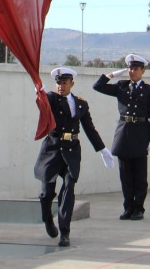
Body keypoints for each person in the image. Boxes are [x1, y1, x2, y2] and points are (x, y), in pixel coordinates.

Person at [34, 66, 114, 248]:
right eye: (58, 83)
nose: (61, 86)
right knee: (47, 192)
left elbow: (89, 128)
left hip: (71, 150)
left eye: (64, 83)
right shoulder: (51, 99)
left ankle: (65, 232)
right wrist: (39, 93)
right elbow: (42, 104)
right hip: (53, 149)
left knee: (69, 190)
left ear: (72, 83)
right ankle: (47, 218)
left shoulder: (80, 103)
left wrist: (102, 149)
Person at [93, 53, 150, 221]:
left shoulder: (149, 91)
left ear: (143, 70)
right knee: (125, 176)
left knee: (139, 176)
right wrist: (112, 75)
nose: (132, 71)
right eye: (130, 68)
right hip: (124, 134)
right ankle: (128, 207)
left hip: (141, 134)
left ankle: (139, 208)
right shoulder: (121, 86)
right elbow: (97, 86)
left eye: (136, 68)